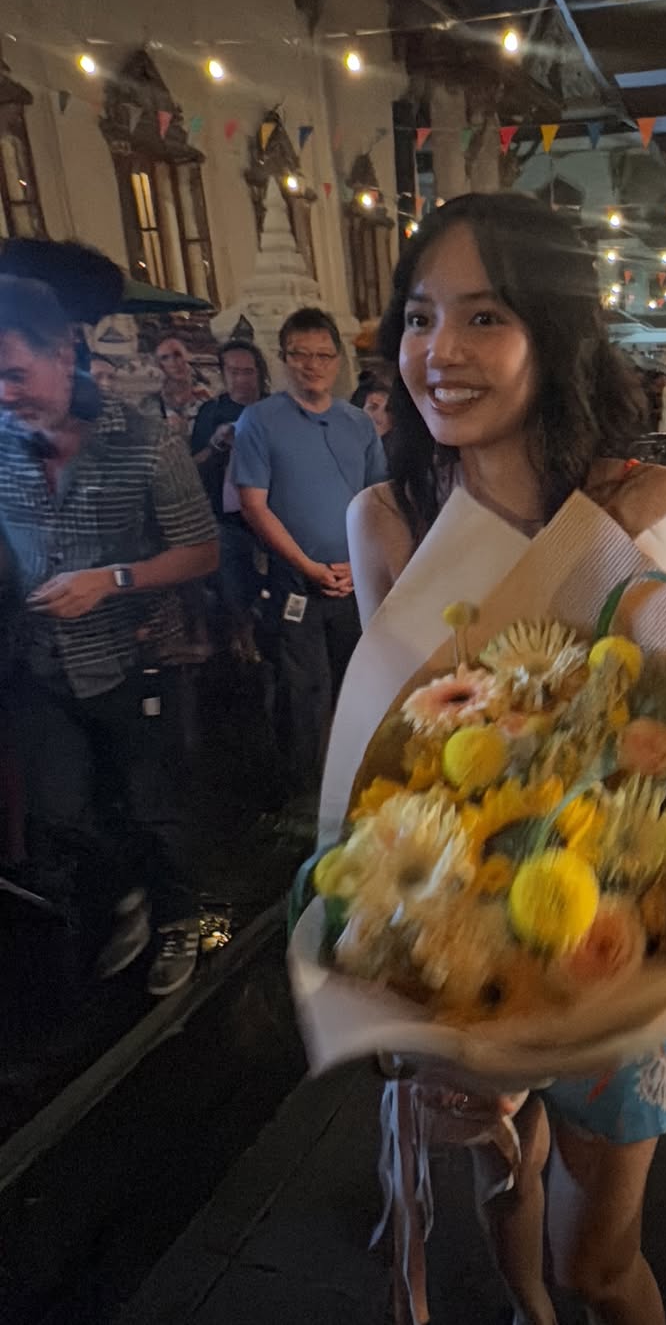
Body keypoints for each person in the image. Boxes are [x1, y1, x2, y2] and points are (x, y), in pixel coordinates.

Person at [352, 192, 666, 1325]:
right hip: (470, 938)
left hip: (623, 944)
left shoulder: (653, 508)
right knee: (503, 1182)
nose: (439, 352)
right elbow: (391, 760)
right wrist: (424, 983)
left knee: (598, 1262)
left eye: (485, 316)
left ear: (556, 334)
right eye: (420, 317)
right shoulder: (386, 522)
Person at [0, 275, 219, 994]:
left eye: (16, 374)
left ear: (64, 354)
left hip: (131, 659)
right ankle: (130, 895)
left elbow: (201, 551)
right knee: (62, 811)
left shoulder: (146, 443)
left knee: (153, 806)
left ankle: (180, 917)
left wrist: (112, 579)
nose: (5, 395)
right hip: (37, 665)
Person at [233, 308, 388, 789]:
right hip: (295, 582)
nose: (312, 365)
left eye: (323, 355)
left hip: (353, 581)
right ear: (283, 359)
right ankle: (302, 795)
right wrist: (307, 565)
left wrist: (357, 565)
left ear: (338, 361)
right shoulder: (259, 421)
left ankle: (357, 785)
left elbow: (378, 499)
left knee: (359, 684)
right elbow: (253, 504)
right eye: (300, 354)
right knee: (302, 694)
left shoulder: (357, 423)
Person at [191, 339, 271, 657]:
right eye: (233, 372)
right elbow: (192, 464)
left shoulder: (274, 409)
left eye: (247, 372)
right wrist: (216, 443)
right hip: (227, 519)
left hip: (272, 514)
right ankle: (245, 648)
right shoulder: (211, 412)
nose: (240, 379)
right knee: (234, 588)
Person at [154, 334, 212, 438]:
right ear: (159, 365)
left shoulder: (205, 395)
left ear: (187, 356)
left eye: (177, 355)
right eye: (165, 358)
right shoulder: (154, 402)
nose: (173, 362)